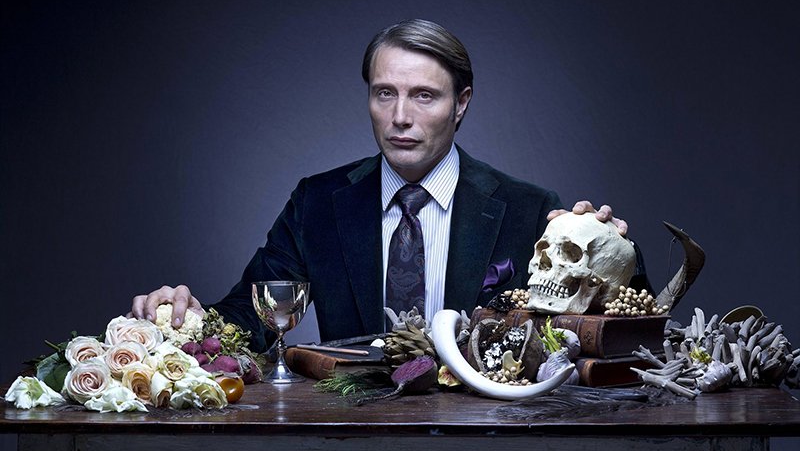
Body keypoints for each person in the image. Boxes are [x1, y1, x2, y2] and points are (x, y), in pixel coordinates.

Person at [131, 19, 646, 351]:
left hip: (484, 437)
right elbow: (253, 317)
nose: (400, 117)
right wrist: (188, 317)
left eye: (424, 96)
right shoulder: (318, 203)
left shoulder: (529, 209)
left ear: (461, 103)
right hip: (352, 435)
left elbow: (617, 323)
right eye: (384, 93)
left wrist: (615, 255)